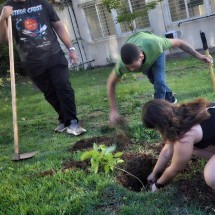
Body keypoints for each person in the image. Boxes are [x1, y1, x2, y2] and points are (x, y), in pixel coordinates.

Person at [0, 0, 86, 136]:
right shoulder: (6, 8)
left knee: (63, 87)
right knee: (49, 93)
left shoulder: (42, 3)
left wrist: (71, 48)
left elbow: (58, 26)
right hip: (31, 61)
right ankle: (64, 119)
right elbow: (5, 40)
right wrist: (2, 18)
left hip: (54, 54)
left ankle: (72, 122)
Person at [107, 31, 212, 124]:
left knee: (159, 82)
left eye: (133, 67)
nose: (132, 70)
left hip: (155, 53)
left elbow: (179, 42)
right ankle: (170, 97)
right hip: (142, 56)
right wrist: (114, 110)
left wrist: (200, 56)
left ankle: (159, 116)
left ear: (141, 57)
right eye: (129, 68)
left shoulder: (156, 43)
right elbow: (111, 83)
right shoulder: (122, 65)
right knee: (154, 80)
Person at [142, 98, 215, 192]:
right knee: (190, 149)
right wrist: (154, 173)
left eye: (156, 128)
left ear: (159, 125)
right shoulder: (181, 114)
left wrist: (158, 185)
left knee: (211, 177)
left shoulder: (185, 135)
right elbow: (167, 151)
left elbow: (175, 168)